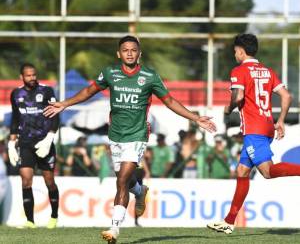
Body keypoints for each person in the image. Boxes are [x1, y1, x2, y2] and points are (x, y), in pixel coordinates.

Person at [44, 35, 216, 243]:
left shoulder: (150, 76)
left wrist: (195, 118)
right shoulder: (110, 73)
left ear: (139, 53)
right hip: (116, 134)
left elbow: (169, 100)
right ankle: (140, 191)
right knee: (124, 179)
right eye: (125, 50)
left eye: (133, 50)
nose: (129, 53)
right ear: (119, 53)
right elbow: (90, 90)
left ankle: (114, 228)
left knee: (121, 180)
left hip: (137, 134)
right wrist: (65, 103)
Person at [207, 33, 300, 234]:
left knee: (267, 171)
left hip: (253, 129)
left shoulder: (239, 71)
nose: (235, 55)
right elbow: (287, 96)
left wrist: (228, 108)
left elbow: (238, 95)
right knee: (242, 172)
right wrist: (281, 120)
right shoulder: (267, 71)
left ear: (240, 51)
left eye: (235, 51)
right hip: (266, 126)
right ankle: (229, 221)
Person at [8, 63, 59, 229]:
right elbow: (15, 118)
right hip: (25, 143)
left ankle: (54, 216)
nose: (32, 78)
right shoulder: (16, 94)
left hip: (45, 142)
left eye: (34, 74)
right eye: (28, 75)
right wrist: (11, 142)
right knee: (26, 181)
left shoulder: (47, 91)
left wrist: (49, 138)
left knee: (49, 182)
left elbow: (56, 116)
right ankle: (30, 221)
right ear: (21, 77)